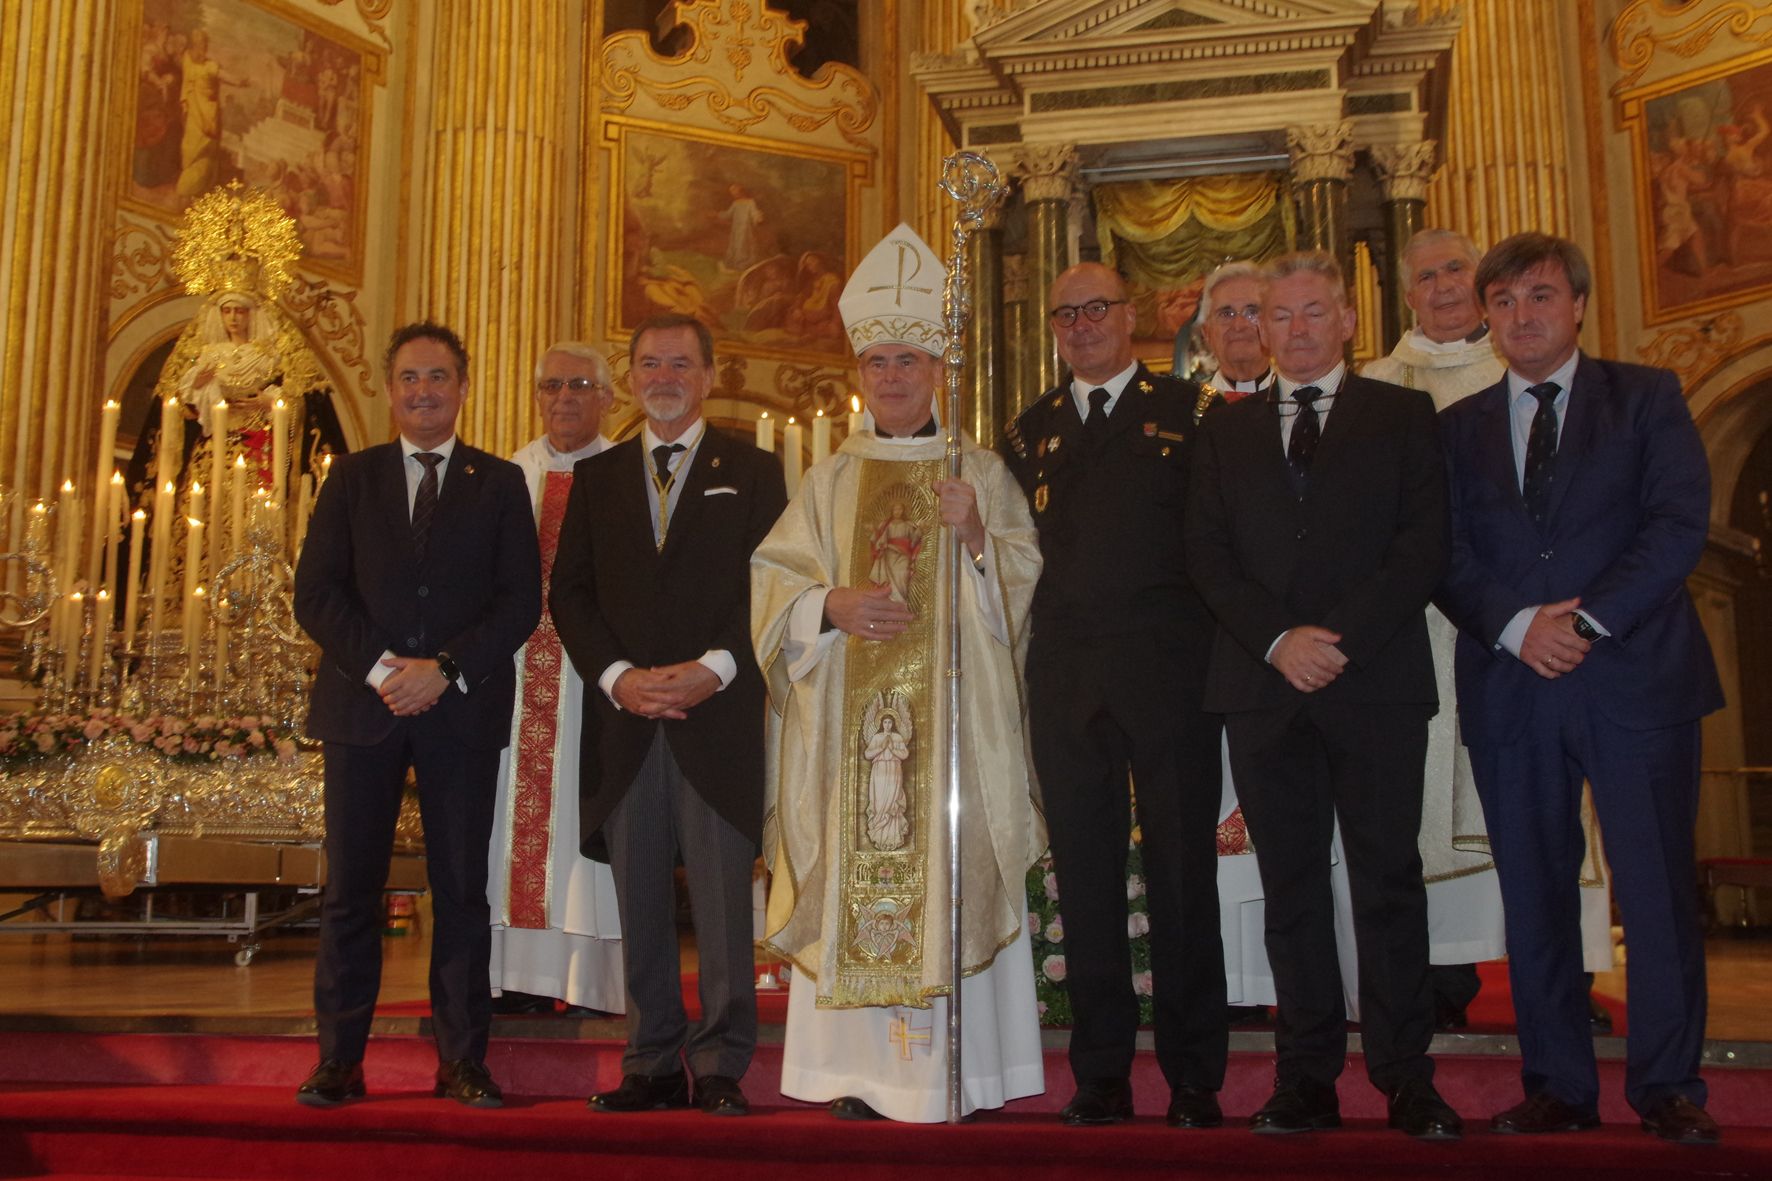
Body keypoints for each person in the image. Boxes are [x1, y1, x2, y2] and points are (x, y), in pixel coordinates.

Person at [752, 224, 1046, 1122]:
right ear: (859, 373)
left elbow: (1022, 596)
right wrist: (829, 606)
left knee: (948, 882)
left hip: (951, 743)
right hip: (851, 738)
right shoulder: (831, 482)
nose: (891, 375)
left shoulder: (981, 472)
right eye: (877, 360)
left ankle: (965, 1072)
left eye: (908, 359)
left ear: (937, 369)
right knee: (854, 869)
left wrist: (974, 538)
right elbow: (774, 585)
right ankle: (858, 1074)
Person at [1438, 233, 1724, 1145]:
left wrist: (1587, 621)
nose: (1523, 315)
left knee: (1655, 887)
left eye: (1541, 296)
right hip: (1513, 683)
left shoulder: (1648, 397)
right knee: (1535, 891)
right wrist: (1522, 629)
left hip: (1633, 675)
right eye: (1506, 301)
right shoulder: (1454, 429)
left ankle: (1669, 1083)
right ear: (1487, 317)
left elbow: (1679, 524)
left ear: (1579, 305)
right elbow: (1442, 553)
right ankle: (1559, 1080)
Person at [1185, 250, 1460, 1140]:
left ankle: (1406, 1076)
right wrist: (1278, 642)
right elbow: (1207, 556)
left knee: (1387, 882)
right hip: (1265, 690)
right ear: (1256, 327)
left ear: (1348, 321)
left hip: (1373, 682)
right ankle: (1306, 1076)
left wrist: (1334, 641)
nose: (1296, 332)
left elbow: (1423, 545)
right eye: (1278, 315)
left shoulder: (1403, 413)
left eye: (1313, 314)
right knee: (1291, 886)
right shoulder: (1222, 431)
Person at [1364, 228, 1614, 1031]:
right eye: (1423, 275)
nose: (1440, 285)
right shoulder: (1376, 382)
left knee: (1542, 815)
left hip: (1529, 634)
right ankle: (1442, 980)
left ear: (1481, 286)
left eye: (1454, 271)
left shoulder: (1525, 366)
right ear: (1405, 294)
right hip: (1418, 639)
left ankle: (1563, 980)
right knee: (1427, 813)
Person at [292, 321, 542, 1109]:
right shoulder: (352, 478)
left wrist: (447, 670)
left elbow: (519, 602)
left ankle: (462, 1060)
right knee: (350, 891)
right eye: (409, 378)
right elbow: (317, 592)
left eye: (438, 377)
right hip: (362, 708)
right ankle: (339, 1058)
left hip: (460, 711)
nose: (423, 391)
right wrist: (383, 670)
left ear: (462, 389)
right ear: (389, 389)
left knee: (462, 890)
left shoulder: (499, 483)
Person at [1001, 262, 1227, 1129]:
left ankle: (1195, 1075)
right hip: (1064, 680)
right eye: (1068, 313)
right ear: (1053, 328)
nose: (1084, 323)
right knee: (1084, 880)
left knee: (1179, 875)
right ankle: (1101, 1072)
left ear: (1130, 317)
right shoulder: (1030, 433)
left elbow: (1214, 541)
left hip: (1171, 674)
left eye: (1098, 308)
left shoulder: (1191, 413)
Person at [550, 313, 787, 1117]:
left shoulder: (755, 471)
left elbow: (772, 588)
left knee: (723, 904)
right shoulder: (600, 475)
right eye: (650, 362)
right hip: (628, 721)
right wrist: (617, 677)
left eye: (680, 362)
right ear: (633, 373)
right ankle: (650, 1059)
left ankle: (720, 1063)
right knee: (640, 900)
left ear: (709, 374)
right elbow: (570, 594)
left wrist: (713, 670)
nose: (664, 375)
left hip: (713, 719)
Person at [486, 343, 625, 1017]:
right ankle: (517, 976)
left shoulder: (626, 473)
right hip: (516, 681)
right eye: (551, 385)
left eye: (579, 384)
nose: (564, 396)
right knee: (513, 824)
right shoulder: (508, 475)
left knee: (582, 823)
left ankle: (588, 981)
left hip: (594, 685)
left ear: (607, 396)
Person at [1194, 261, 1272, 416]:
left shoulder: (1300, 401)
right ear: (1206, 332)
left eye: (1252, 312)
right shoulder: (1187, 410)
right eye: (1226, 314)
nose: (1239, 325)